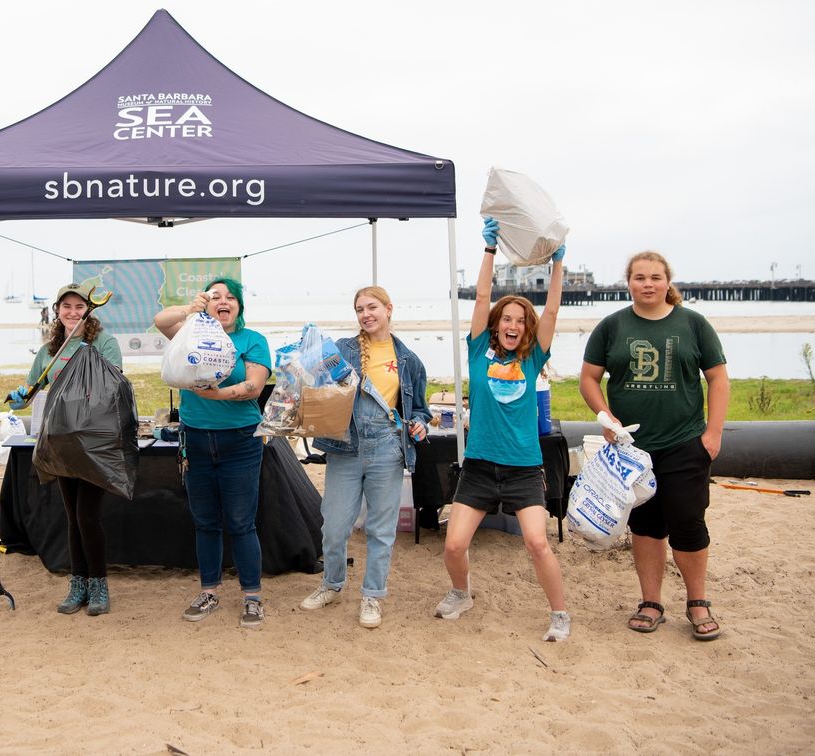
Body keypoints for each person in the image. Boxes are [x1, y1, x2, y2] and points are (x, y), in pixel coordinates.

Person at [435, 218, 572, 642]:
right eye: (506, 319)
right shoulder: (479, 350)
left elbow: (551, 309)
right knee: (454, 547)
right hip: (478, 468)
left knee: (537, 543)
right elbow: (480, 295)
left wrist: (557, 266)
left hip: (523, 469)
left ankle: (560, 614)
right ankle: (462, 593)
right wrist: (489, 250)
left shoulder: (532, 359)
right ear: (496, 325)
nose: (513, 325)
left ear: (526, 328)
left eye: (520, 320)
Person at [580, 251, 728, 641]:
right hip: (633, 450)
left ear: (667, 282)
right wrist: (605, 417)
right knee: (646, 526)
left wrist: (713, 434)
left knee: (688, 521)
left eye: (656, 277)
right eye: (640, 277)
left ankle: (698, 602)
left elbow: (718, 378)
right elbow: (589, 379)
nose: (648, 284)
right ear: (629, 282)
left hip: (684, 442)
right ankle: (651, 602)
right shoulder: (612, 326)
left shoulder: (693, 324)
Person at [300, 286, 431, 628]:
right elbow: (315, 383)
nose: (365, 314)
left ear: (389, 309)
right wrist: (304, 356)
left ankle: (372, 594)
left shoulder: (409, 360)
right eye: (359, 309)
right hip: (345, 447)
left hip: (388, 448)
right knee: (334, 526)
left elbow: (419, 410)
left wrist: (419, 425)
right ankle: (332, 584)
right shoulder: (343, 349)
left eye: (372, 307)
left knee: (381, 530)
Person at [153, 278, 272, 628]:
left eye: (231, 297)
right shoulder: (189, 333)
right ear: (207, 303)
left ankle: (252, 596)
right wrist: (190, 310)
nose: (224, 301)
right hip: (197, 442)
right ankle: (209, 591)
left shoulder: (252, 340)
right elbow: (161, 320)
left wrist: (215, 395)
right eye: (216, 296)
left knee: (241, 522)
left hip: (241, 442)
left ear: (239, 307)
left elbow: (254, 386)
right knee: (205, 522)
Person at [9, 284, 122, 616]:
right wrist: (20, 397)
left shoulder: (104, 343)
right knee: (72, 517)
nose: (72, 312)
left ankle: (99, 585)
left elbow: (114, 385)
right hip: (61, 442)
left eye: (79, 307)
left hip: (94, 442)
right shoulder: (49, 351)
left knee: (87, 515)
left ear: (89, 310)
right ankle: (79, 584)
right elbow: (31, 391)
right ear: (57, 310)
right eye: (66, 306)